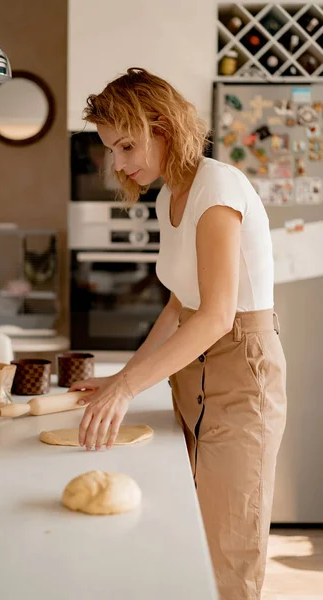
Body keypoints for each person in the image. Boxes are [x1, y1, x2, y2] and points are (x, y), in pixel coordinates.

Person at [69, 67, 287, 600]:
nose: (118, 162)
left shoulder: (217, 187)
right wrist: (124, 376)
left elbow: (215, 316)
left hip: (240, 377)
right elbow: (176, 309)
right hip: (192, 376)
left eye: (126, 145)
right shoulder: (172, 196)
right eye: (110, 150)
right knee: (185, 542)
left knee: (228, 556)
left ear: (163, 125)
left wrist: (127, 389)